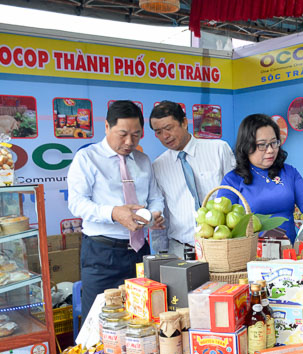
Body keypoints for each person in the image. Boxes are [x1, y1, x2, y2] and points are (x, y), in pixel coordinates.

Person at [68, 100, 165, 323]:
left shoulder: (142, 160)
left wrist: (155, 214)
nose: (129, 142)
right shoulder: (87, 158)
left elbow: (155, 197)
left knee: (142, 318)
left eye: (136, 135)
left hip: (139, 252)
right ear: (106, 127)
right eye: (123, 134)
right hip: (102, 253)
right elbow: (77, 203)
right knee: (100, 320)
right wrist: (114, 213)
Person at [217, 113, 303, 243]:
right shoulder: (232, 180)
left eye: (274, 143)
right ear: (247, 146)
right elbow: (225, 225)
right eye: (262, 145)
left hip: (288, 254)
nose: (270, 150)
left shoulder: (289, 172)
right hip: (252, 256)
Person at [150, 101, 235, 258]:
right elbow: (162, 215)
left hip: (220, 246)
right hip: (180, 250)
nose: (165, 136)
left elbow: (237, 196)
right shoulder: (158, 166)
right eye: (158, 132)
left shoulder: (218, 150)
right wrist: (160, 254)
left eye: (168, 128)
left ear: (184, 122)